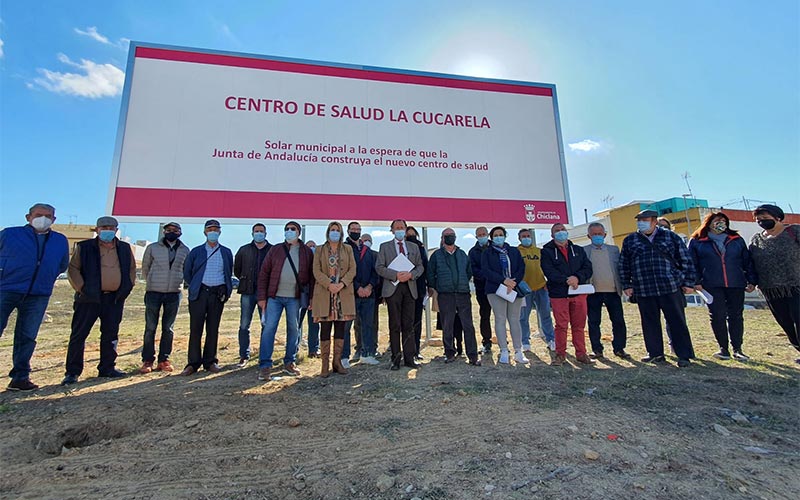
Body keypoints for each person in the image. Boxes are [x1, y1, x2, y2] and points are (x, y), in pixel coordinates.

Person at [0, 203, 69, 391]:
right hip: (6, 289)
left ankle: (20, 378)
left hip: (38, 294)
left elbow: (62, 265)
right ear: (28, 217)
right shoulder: (9, 234)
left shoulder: (59, 240)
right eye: (39, 214)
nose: (43, 219)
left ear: (53, 220)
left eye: (48, 216)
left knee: (27, 336)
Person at [62, 216, 136, 385]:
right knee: (79, 335)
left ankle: (107, 368)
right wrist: (81, 288)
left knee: (110, 334)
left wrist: (127, 287)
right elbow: (73, 268)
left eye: (111, 227)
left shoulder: (124, 248)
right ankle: (72, 372)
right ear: (97, 229)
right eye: (104, 227)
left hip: (114, 298)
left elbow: (131, 269)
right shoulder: (85, 247)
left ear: (116, 230)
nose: (107, 230)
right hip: (88, 298)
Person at [619, 209, 697, 367]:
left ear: (654, 221)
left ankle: (683, 355)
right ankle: (655, 354)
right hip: (644, 288)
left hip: (669, 286)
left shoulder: (670, 236)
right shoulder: (630, 240)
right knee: (649, 323)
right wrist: (626, 284)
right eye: (639, 220)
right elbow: (624, 264)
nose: (641, 222)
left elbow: (686, 259)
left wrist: (688, 282)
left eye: (645, 219)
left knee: (677, 321)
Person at [689, 212, 756, 361]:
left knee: (736, 316)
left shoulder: (736, 240)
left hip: (735, 283)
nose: (720, 223)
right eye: (717, 220)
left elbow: (747, 261)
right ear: (709, 223)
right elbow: (692, 263)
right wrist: (696, 281)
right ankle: (723, 349)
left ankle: (737, 348)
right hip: (711, 285)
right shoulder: (697, 241)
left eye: (723, 221)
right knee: (717, 316)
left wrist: (751, 280)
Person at [257, 221, 314, 380]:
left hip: (294, 298)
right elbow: (264, 273)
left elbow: (311, 277)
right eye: (287, 229)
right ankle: (265, 365)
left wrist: (311, 298)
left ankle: (290, 362)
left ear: (298, 233)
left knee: (293, 330)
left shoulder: (306, 252)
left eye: (293, 229)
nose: (289, 231)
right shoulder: (275, 250)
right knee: (269, 329)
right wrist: (262, 297)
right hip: (274, 297)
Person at [180, 220, 234, 376]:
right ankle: (192, 363)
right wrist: (196, 285)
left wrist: (225, 290)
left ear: (220, 232)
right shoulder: (196, 251)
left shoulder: (226, 252)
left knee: (213, 328)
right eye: (210, 229)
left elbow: (228, 272)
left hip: (217, 295)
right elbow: (187, 272)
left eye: (216, 229)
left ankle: (210, 361)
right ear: (205, 232)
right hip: (199, 294)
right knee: (195, 329)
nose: (213, 232)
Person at [748, 204, 800, 364]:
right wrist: (752, 282)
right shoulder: (756, 239)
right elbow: (752, 263)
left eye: (765, 218)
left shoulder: (794, 231)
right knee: (785, 323)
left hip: (796, 285)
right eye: (759, 219)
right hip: (771, 289)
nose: (762, 221)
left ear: (777, 217)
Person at [139, 221, 190, 374]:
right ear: (164, 232)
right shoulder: (152, 248)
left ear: (180, 233)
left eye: (175, 230)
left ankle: (164, 359)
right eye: (168, 230)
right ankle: (148, 360)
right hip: (154, 291)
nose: (171, 232)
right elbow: (145, 268)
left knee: (168, 328)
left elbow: (185, 270)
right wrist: (152, 282)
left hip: (174, 293)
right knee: (150, 327)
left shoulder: (185, 250)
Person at [541, 224, 594, 366]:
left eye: (562, 230)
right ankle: (560, 354)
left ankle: (581, 353)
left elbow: (588, 268)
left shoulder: (578, 250)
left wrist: (577, 278)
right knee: (561, 325)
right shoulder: (546, 252)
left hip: (578, 292)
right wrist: (566, 280)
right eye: (557, 231)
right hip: (559, 294)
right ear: (552, 235)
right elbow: (549, 271)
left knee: (579, 325)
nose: (560, 232)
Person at [376, 219, 425, 370]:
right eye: (396, 228)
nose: (399, 230)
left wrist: (411, 275)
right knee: (395, 324)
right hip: (393, 289)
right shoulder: (384, 247)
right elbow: (379, 267)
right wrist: (396, 275)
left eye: (402, 227)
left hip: (410, 288)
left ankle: (410, 358)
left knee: (409, 325)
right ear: (392, 230)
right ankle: (395, 358)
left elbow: (420, 267)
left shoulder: (413, 247)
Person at [427, 228, 481, 365]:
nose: (449, 237)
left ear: (455, 237)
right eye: (447, 236)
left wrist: (461, 283)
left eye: (452, 235)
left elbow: (469, 272)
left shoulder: (462, 254)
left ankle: (473, 355)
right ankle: (449, 353)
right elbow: (430, 273)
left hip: (463, 293)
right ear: (442, 238)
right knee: (447, 325)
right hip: (445, 294)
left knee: (468, 325)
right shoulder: (436, 255)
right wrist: (437, 287)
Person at [312, 222, 357, 376]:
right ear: (327, 232)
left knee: (340, 328)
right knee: (325, 328)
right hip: (326, 293)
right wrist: (329, 284)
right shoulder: (319, 249)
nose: (335, 232)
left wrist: (342, 284)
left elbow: (353, 269)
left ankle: (337, 362)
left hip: (342, 293)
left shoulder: (348, 249)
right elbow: (316, 270)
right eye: (332, 230)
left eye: (337, 230)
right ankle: (324, 364)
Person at [481, 226, 528, 365]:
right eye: (495, 235)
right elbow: (486, 270)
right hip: (495, 290)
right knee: (500, 319)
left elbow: (521, 267)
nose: (498, 237)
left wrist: (512, 282)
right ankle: (504, 351)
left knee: (514, 319)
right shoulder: (487, 253)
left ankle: (518, 351)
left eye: (501, 234)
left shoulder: (513, 251)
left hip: (514, 288)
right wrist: (503, 281)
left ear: (505, 236)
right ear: (491, 237)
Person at [583, 222, 630, 359]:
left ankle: (619, 348)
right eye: (594, 234)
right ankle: (597, 349)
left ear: (605, 234)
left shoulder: (614, 250)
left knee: (618, 321)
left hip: (613, 291)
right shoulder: (584, 251)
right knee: (593, 321)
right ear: (589, 236)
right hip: (593, 292)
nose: (597, 236)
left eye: (599, 234)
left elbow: (621, 268)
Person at [233, 223, 273, 368]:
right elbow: (237, 269)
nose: (259, 233)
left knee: (266, 325)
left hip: (266, 294)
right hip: (247, 292)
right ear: (252, 233)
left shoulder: (272, 250)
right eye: (256, 231)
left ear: (266, 233)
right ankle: (244, 355)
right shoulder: (244, 250)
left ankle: (264, 355)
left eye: (261, 231)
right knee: (244, 324)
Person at [343, 222, 381, 366]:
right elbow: (344, 271)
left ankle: (367, 354)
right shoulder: (344, 249)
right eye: (353, 229)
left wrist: (370, 286)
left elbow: (374, 271)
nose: (356, 232)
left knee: (367, 325)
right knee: (346, 326)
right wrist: (357, 287)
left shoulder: (367, 251)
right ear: (348, 231)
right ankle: (344, 356)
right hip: (350, 294)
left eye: (358, 229)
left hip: (368, 295)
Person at [517, 228, 556, 352]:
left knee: (545, 315)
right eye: (524, 236)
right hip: (524, 290)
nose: (526, 238)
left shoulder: (539, 251)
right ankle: (525, 342)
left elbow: (547, 267)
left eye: (528, 236)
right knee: (523, 317)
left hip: (541, 287)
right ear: (519, 238)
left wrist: (548, 282)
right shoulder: (517, 251)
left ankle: (551, 339)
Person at [468, 226, 493, 353]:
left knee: (502, 316)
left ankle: (504, 341)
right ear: (476, 236)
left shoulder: (497, 247)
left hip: (500, 287)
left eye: (484, 234)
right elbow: (473, 269)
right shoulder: (473, 252)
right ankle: (486, 341)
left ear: (488, 234)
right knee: (485, 315)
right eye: (479, 235)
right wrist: (488, 275)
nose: (482, 236)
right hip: (482, 288)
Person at [405, 226, 429, 360]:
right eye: (409, 235)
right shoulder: (400, 248)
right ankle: (406, 350)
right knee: (405, 321)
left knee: (417, 321)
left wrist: (428, 286)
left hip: (418, 289)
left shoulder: (421, 248)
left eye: (413, 235)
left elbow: (425, 266)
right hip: (404, 288)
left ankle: (416, 350)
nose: (411, 237)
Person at [298, 240, 320, 358]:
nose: (312, 248)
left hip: (315, 297)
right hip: (300, 296)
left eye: (313, 246)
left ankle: (313, 349)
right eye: (309, 246)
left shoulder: (318, 261)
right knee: (296, 323)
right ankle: (294, 348)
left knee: (314, 324)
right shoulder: (301, 260)